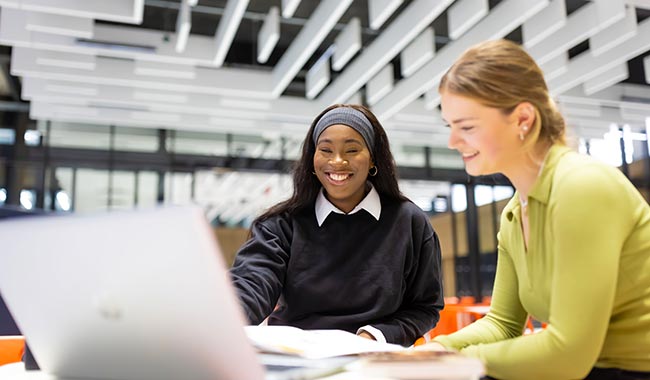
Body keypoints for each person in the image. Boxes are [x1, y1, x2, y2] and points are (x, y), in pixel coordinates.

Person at [418, 39, 650, 379]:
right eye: (450, 127)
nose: (453, 141)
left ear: (523, 119)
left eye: (466, 127)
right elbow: (502, 324)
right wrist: (438, 350)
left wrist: (456, 362)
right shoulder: (514, 213)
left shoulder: (581, 187)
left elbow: (569, 353)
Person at [229, 104, 444, 346]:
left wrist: (375, 336)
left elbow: (425, 306)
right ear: (312, 158)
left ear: (373, 157)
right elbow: (252, 282)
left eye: (352, 150)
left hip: (375, 357)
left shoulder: (409, 222)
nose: (338, 161)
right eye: (326, 150)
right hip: (299, 359)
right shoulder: (280, 225)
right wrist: (225, 316)